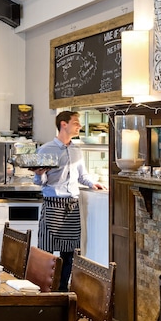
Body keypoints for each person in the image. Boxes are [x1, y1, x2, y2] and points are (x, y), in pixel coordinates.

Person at [32, 111, 106, 288]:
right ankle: (45, 291)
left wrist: (93, 183)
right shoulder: (45, 149)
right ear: (63, 124)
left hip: (72, 206)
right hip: (53, 205)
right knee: (46, 252)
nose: (79, 126)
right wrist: (40, 174)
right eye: (76, 122)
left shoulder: (76, 150)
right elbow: (38, 181)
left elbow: (82, 176)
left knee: (70, 254)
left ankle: (63, 291)